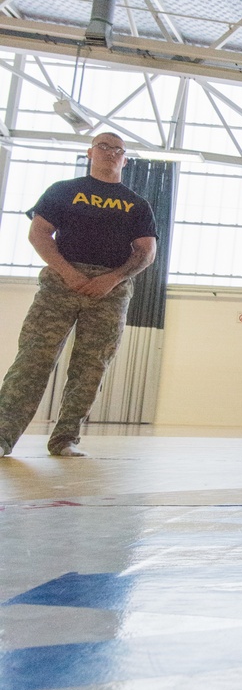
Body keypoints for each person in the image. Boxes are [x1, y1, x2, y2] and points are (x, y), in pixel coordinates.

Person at [0, 132, 157, 458]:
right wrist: (67, 271)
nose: (110, 153)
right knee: (33, 359)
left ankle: (65, 440)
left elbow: (146, 252)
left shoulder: (137, 205)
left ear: (124, 159)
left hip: (110, 292)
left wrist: (112, 279)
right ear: (90, 152)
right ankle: (2, 436)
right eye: (103, 146)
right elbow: (39, 233)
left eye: (118, 150)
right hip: (60, 284)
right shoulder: (63, 191)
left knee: (91, 367)